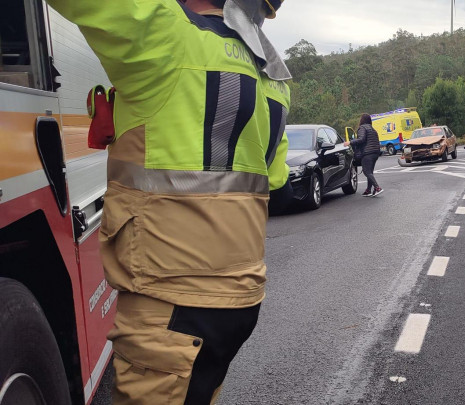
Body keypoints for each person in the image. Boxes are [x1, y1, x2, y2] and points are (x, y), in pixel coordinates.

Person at [46, 0, 293, 403]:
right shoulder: (275, 78)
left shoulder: (165, 30)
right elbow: (276, 176)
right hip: (239, 295)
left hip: (173, 303)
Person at [345, 114, 383, 196]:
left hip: (367, 153)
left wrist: (350, 142)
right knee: (370, 172)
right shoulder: (373, 129)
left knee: (366, 171)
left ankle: (377, 188)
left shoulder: (362, 128)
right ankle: (368, 190)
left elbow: (361, 139)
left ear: (362, 120)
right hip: (375, 152)